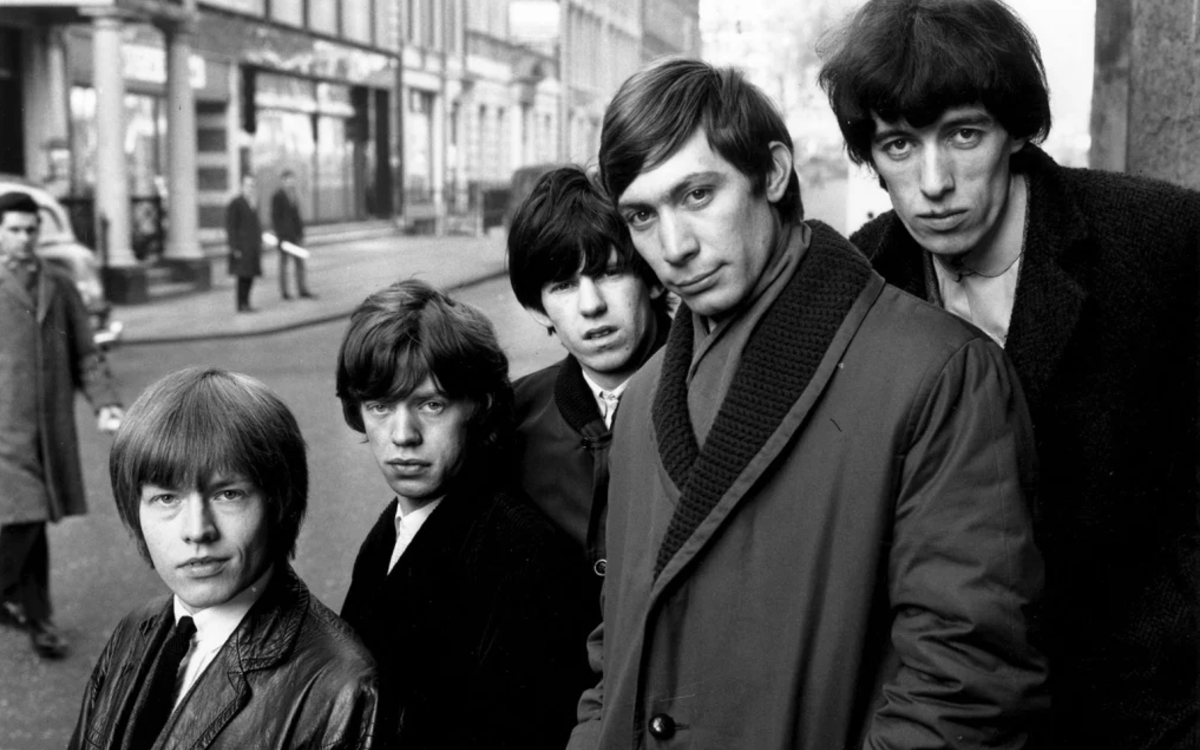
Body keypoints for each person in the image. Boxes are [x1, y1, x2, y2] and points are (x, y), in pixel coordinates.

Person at [567, 57, 1050, 750]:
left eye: (697, 195)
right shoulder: (642, 402)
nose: (673, 247)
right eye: (642, 215)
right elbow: (614, 653)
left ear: (772, 173)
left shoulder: (940, 374)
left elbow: (965, 693)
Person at [819, 2, 1200, 747]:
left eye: (964, 134)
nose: (933, 182)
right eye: (899, 145)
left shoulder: (1163, 241)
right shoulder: (860, 283)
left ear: (1016, 131)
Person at [70, 367, 379, 750]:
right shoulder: (135, 629)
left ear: (279, 503)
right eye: (166, 498)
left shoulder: (344, 688)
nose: (197, 530)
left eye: (228, 495)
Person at [336, 279, 587, 750]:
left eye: (431, 404)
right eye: (380, 406)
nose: (403, 435)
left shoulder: (525, 555)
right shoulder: (389, 533)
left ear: (478, 405)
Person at [506, 165, 669, 646]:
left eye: (610, 272)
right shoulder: (514, 418)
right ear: (538, 309)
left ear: (653, 278)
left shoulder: (713, 392)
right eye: (563, 285)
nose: (591, 304)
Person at [0, 190, 123, 659]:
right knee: (27, 515)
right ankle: (32, 613)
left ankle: (36, 617)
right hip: (3, 430)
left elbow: (86, 354)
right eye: (14, 229)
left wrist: (104, 404)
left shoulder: (59, 285)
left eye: (31, 230)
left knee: (28, 522)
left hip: (49, 431)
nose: (24, 238)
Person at [271, 169, 314, 300]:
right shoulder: (277, 196)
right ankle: (285, 292)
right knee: (284, 264)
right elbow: (275, 218)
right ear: (283, 181)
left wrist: (301, 233)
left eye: (292, 180)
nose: (291, 183)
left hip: (296, 235)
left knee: (300, 263)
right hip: (284, 237)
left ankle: (302, 289)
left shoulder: (294, 195)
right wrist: (280, 236)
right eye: (288, 180)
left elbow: (297, 217)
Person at [225, 173, 263, 313]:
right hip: (241, 246)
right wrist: (234, 247)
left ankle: (247, 302)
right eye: (248, 185)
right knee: (242, 276)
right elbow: (231, 226)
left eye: (252, 186)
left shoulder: (253, 203)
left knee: (251, 276)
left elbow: (256, 225)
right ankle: (241, 304)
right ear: (242, 186)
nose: (250, 188)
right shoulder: (236, 203)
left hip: (252, 247)